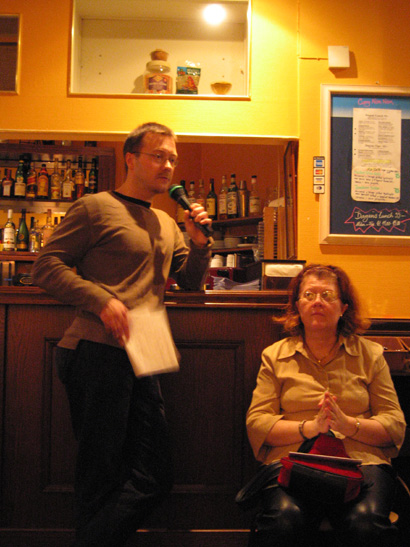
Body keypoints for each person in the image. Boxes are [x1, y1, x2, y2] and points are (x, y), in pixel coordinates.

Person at [32, 122, 213, 547]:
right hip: (96, 349)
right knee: (100, 472)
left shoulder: (167, 222)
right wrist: (100, 300)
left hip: (146, 349)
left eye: (172, 158)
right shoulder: (95, 207)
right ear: (131, 158)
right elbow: (46, 266)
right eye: (158, 156)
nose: (167, 165)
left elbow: (190, 282)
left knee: (155, 475)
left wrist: (200, 243)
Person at [245, 263, 406, 547]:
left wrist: (348, 425)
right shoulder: (274, 355)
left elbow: (394, 425)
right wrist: (310, 427)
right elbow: (257, 424)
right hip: (292, 462)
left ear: (343, 307)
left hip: (363, 464)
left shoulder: (370, 355)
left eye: (327, 295)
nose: (317, 301)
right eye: (309, 295)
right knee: (284, 520)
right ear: (298, 306)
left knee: (366, 523)